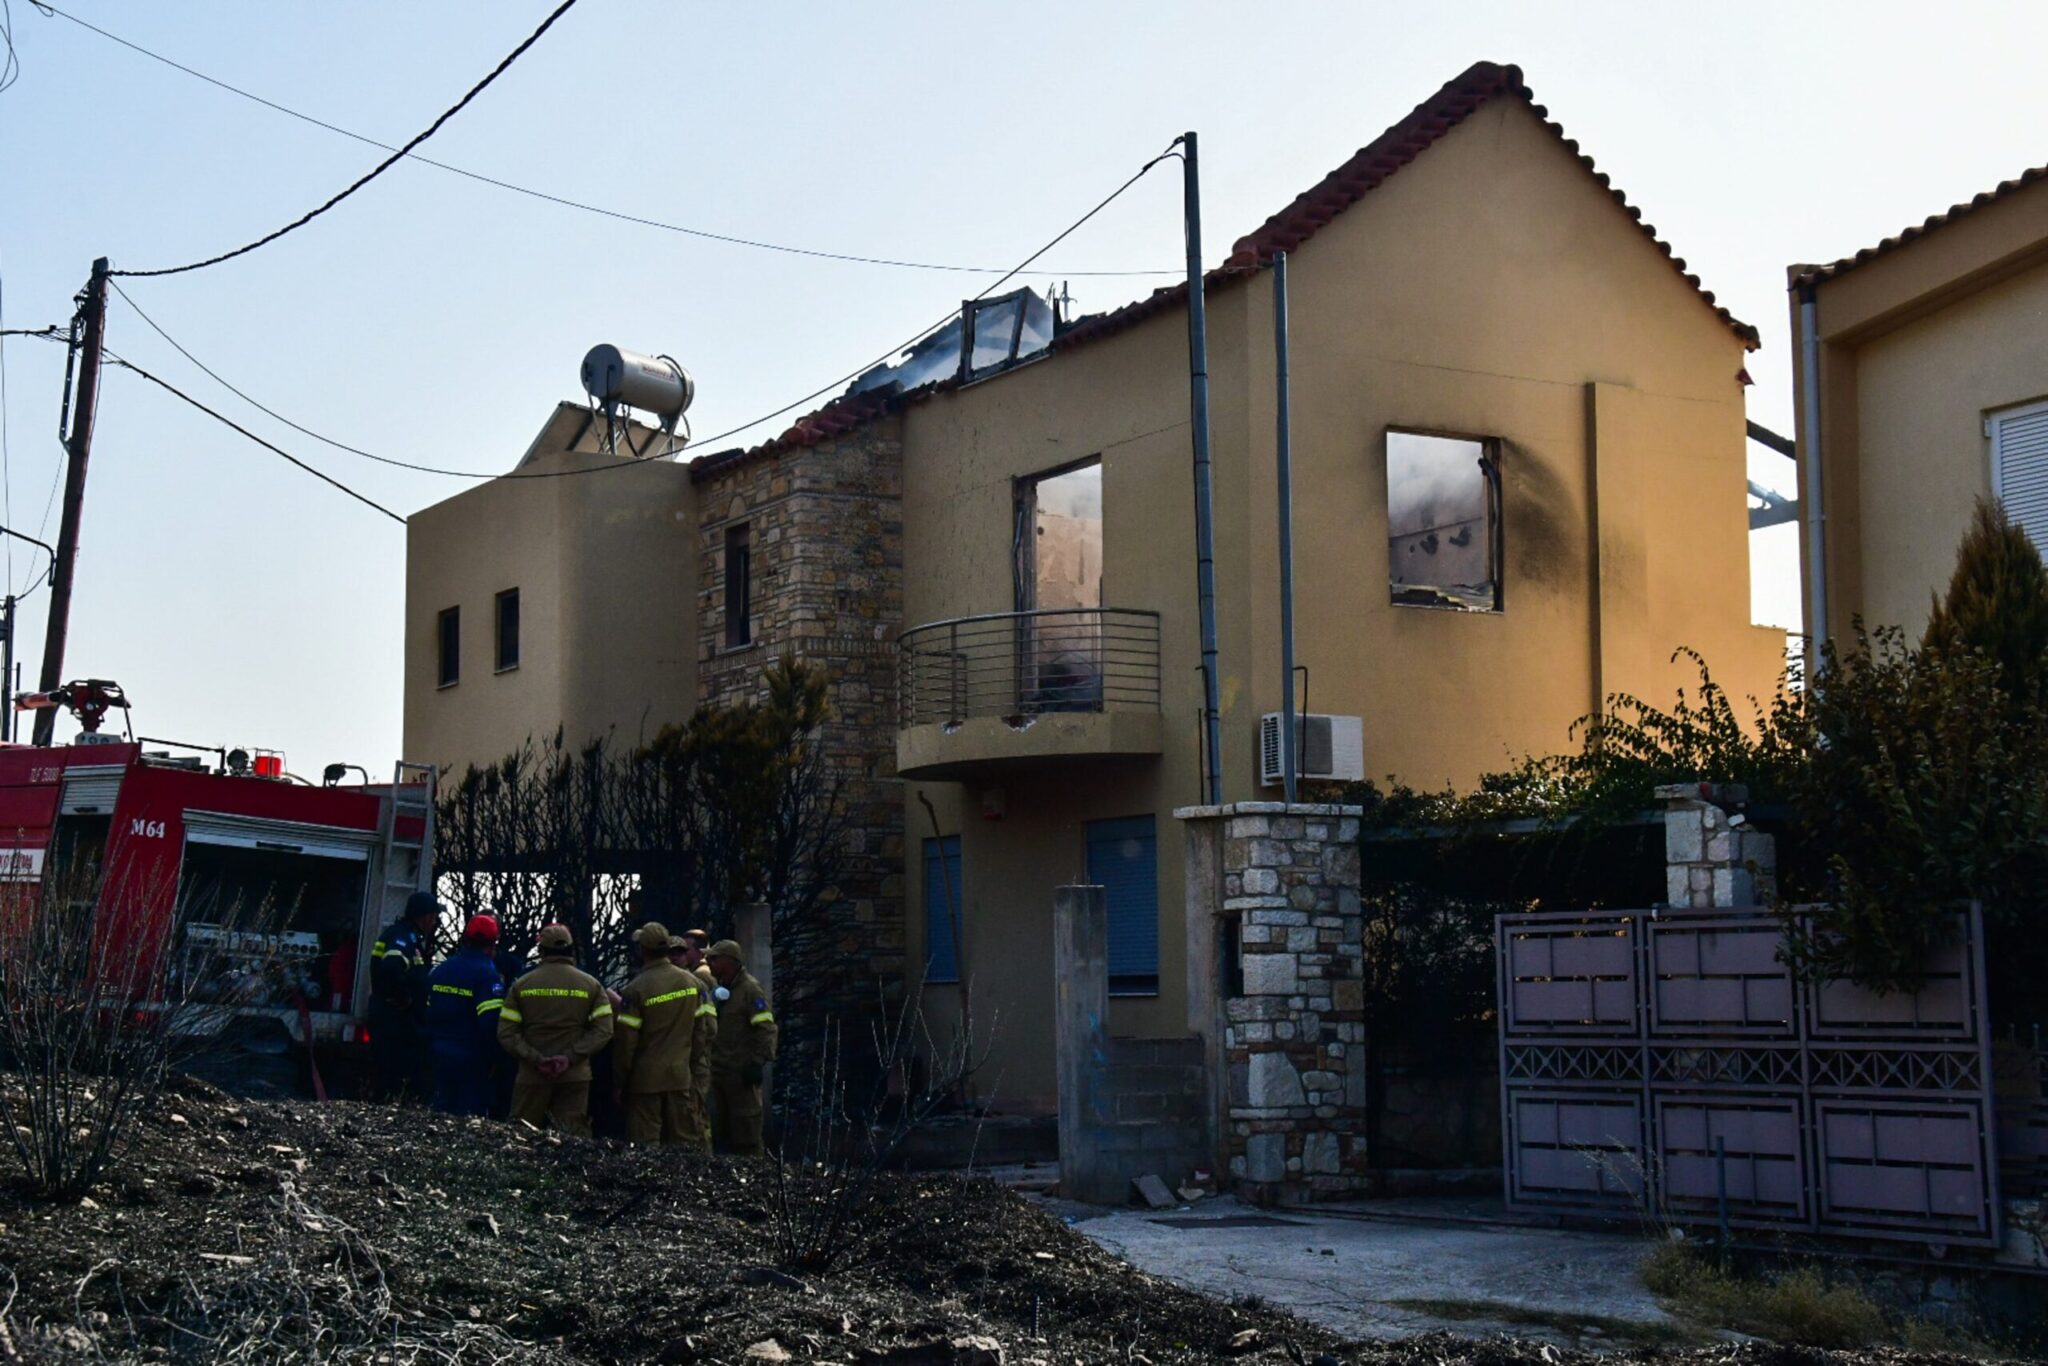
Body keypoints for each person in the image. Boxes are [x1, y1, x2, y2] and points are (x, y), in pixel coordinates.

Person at [496, 923, 614, 1136]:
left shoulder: (521, 985)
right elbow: (603, 1031)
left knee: (521, 1137)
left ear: (541, 951)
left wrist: (536, 1059)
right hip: (574, 1075)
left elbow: (506, 1032)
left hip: (532, 1076)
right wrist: (570, 1058)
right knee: (572, 1140)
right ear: (570, 948)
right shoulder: (591, 985)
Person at [613, 921, 717, 1148]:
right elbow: (703, 1031)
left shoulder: (636, 989)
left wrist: (620, 1081)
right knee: (683, 1144)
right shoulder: (693, 983)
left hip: (645, 1081)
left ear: (643, 950)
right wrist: (690, 1065)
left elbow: (626, 1043)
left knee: (645, 1145)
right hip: (680, 1076)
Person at [425, 914, 506, 1116]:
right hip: (472, 1058)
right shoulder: (487, 975)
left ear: (466, 938)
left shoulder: (441, 970)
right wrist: (496, 1057)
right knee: (467, 1118)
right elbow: (490, 1023)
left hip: (438, 1053)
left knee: (439, 1115)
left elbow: (427, 1011)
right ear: (493, 943)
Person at [705, 939, 778, 1156]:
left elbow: (766, 1028)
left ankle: (754, 1172)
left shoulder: (750, 990)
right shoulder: (721, 989)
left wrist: (757, 1062)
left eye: (714, 958)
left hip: (740, 1074)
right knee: (722, 1134)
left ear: (729, 961)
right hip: (719, 1071)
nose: (709, 962)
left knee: (747, 1134)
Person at [368, 892, 441, 1101]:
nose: (434, 922)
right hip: (394, 1020)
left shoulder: (406, 936)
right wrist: (404, 998)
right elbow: (392, 966)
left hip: (393, 1018)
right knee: (393, 1074)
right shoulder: (403, 937)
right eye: (433, 917)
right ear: (425, 916)